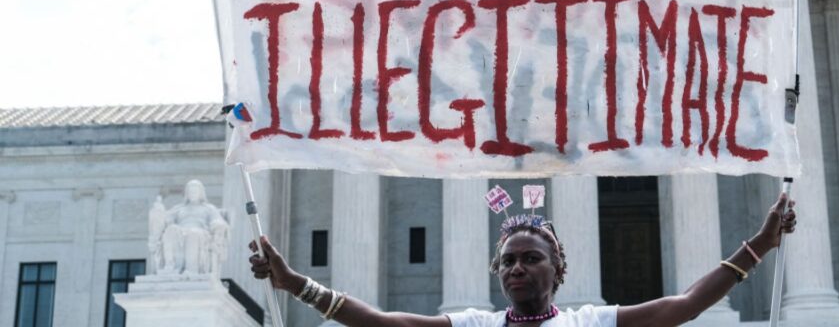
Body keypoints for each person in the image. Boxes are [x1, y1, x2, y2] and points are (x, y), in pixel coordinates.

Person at [250, 192, 796, 325]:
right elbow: (381, 323)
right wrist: (294, 282)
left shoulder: (592, 322)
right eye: (508, 261)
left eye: (530, 258)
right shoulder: (476, 325)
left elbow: (683, 306)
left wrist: (759, 247)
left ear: (558, 270)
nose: (515, 268)